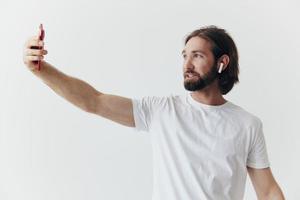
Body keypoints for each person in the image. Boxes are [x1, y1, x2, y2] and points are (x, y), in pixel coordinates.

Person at [23, 25, 285, 200]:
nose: (187, 64)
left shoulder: (247, 124)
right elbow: (94, 101)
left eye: (197, 56)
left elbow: (269, 191)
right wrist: (41, 69)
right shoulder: (162, 110)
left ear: (222, 62)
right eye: (184, 56)